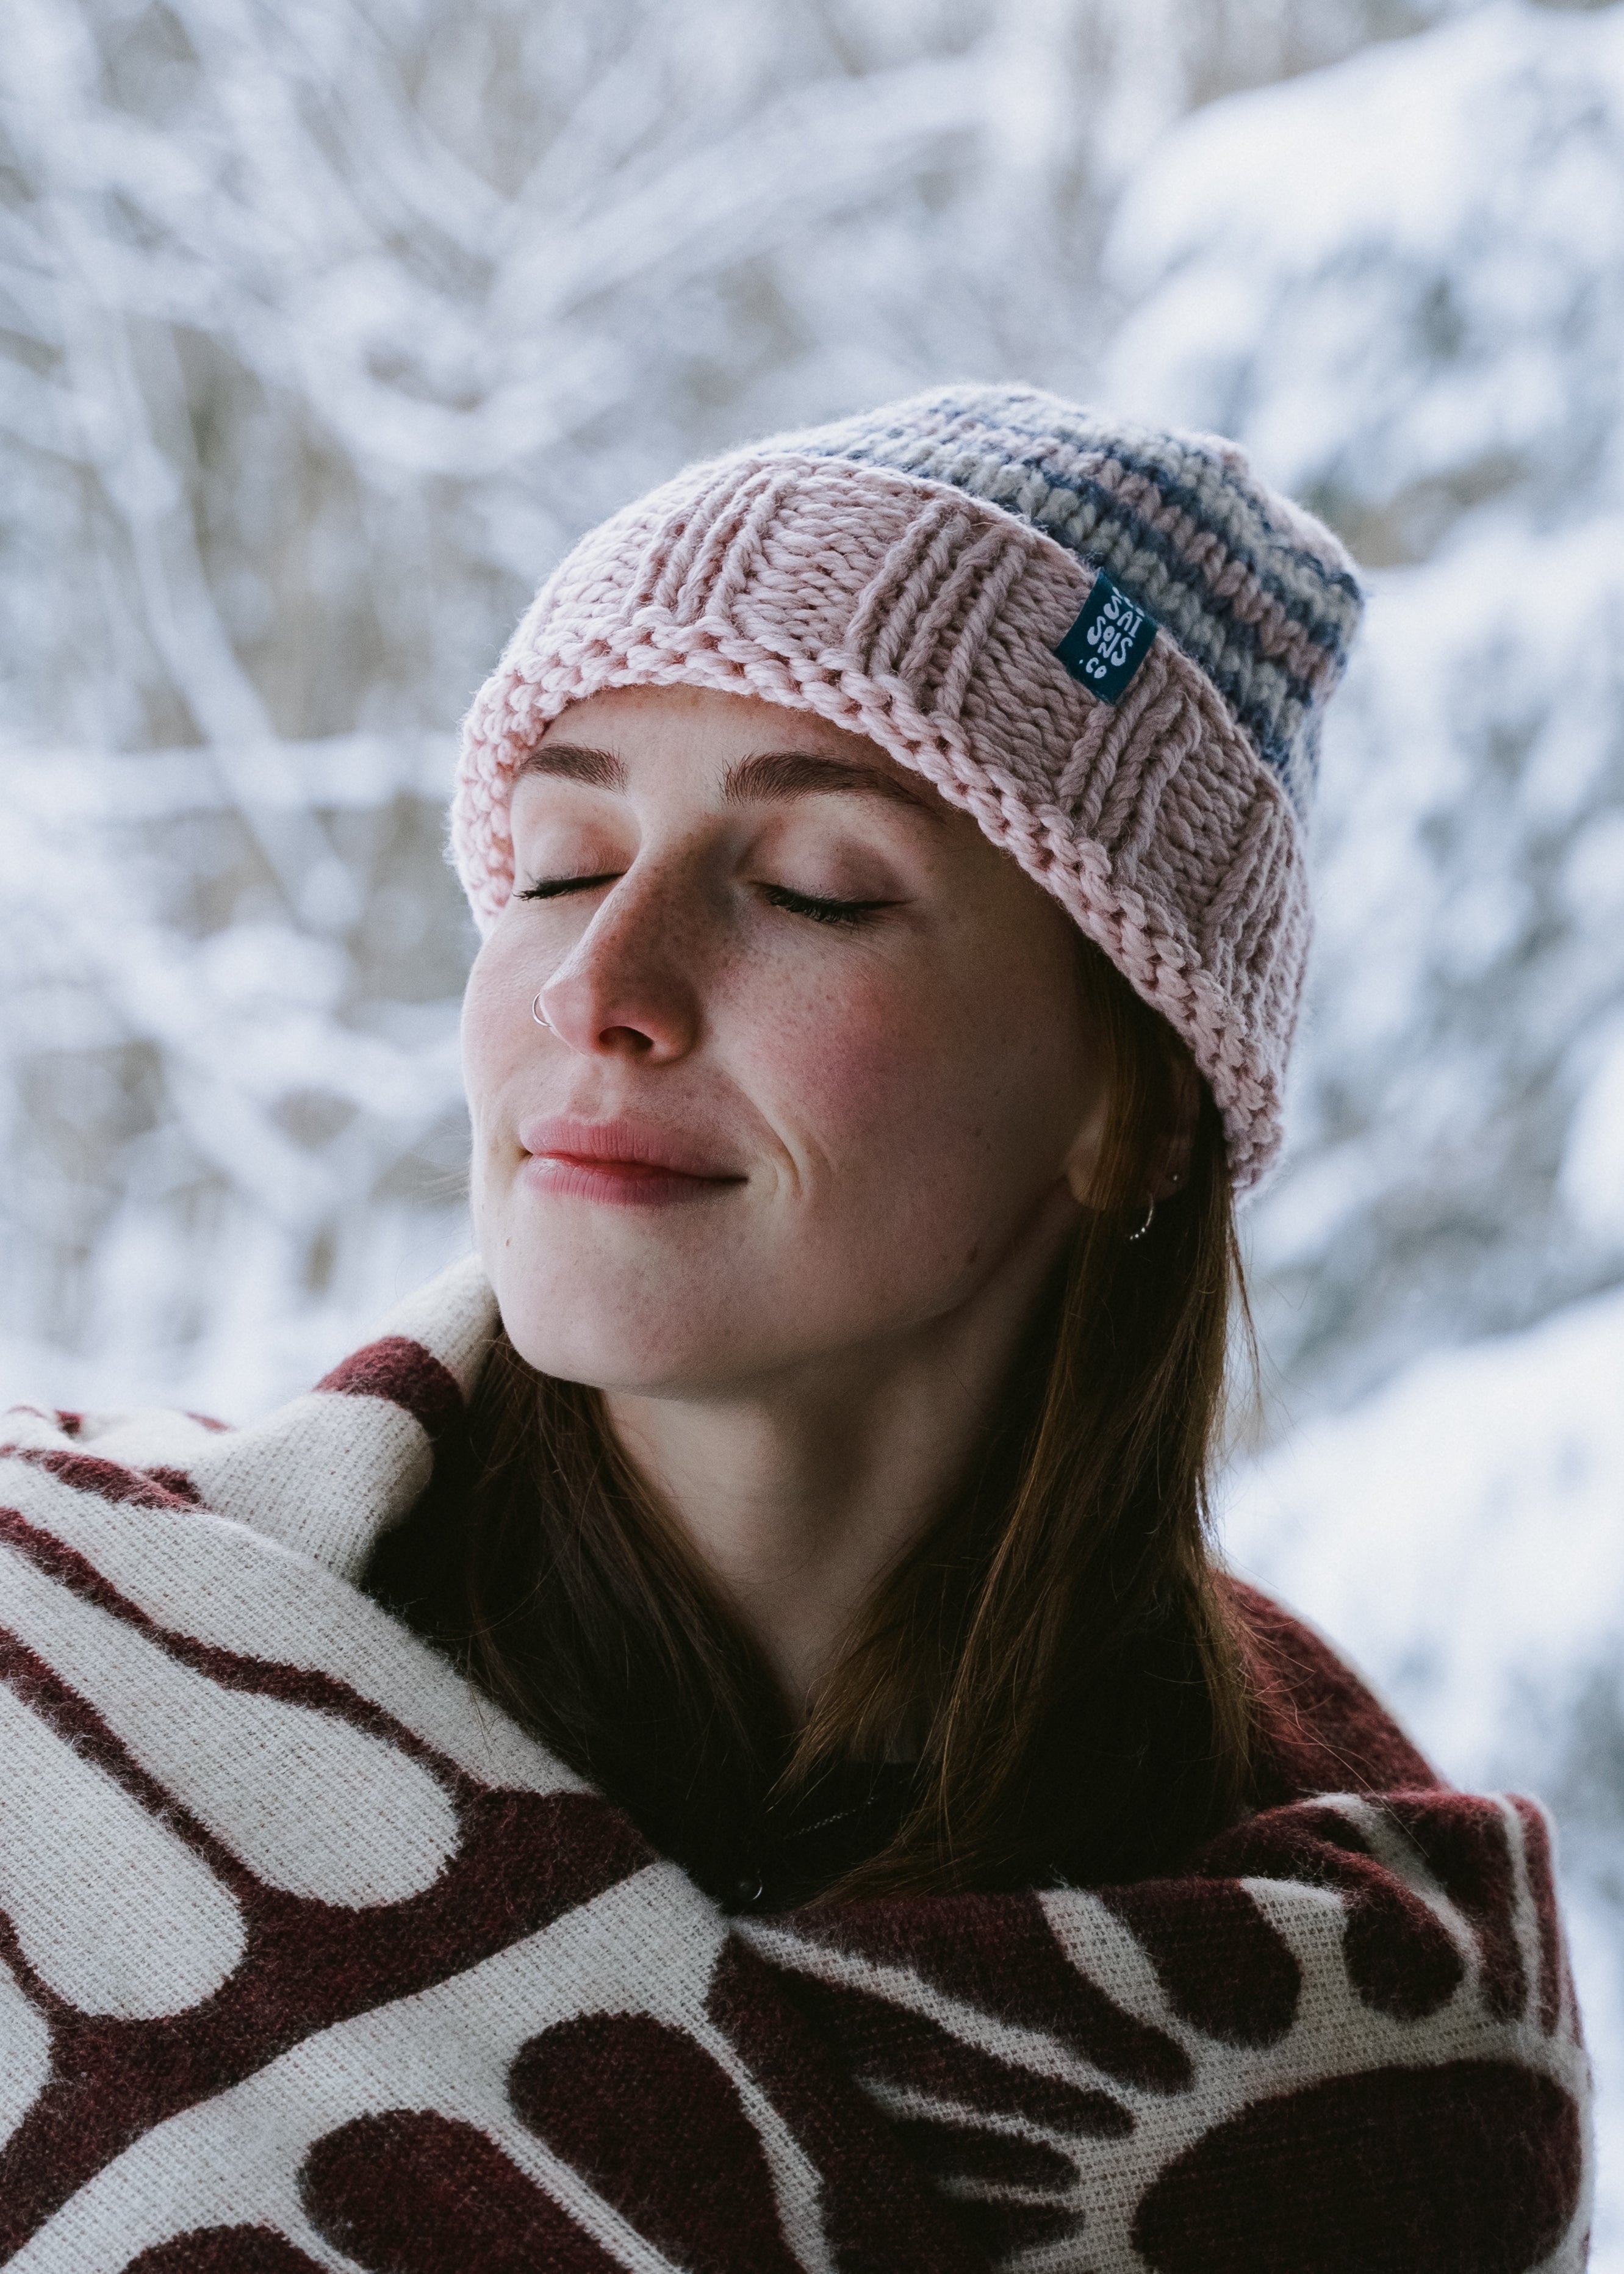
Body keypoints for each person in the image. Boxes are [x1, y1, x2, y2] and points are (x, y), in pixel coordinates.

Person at [0, 386, 1590, 2270]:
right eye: (560, 866)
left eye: (813, 889)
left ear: (1131, 1102)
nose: (603, 986)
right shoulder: (57, 1712)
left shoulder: (1389, 2083)